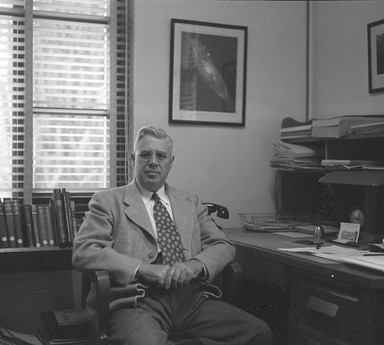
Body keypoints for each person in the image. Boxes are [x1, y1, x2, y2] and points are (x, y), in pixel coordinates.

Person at [72, 125, 272, 345]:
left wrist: (194, 265)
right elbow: (85, 251)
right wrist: (144, 269)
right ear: (133, 159)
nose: (153, 162)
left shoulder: (190, 202)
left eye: (161, 155)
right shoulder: (108, 201)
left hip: (191, 300)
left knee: (258, 333)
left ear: (171, 162)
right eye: (145, 154)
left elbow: (223, 245)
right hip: (138, 300)